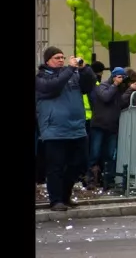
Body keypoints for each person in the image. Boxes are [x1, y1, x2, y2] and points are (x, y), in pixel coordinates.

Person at [36, 47, 98, 211]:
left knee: (78, 163)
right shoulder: (41, 78)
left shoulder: (72, 75)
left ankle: (65, 196)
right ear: (47, 60)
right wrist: (71, 69)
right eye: (57, 57)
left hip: (76, 128)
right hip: (54, 130)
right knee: (55, 167)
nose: (61, 60)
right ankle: (56, 200)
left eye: (63, 57)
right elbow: (54, 87)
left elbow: (89, 85)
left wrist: (84, 69)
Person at [88, 67, 130, 191]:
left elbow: (121, 104)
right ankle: (90, 180)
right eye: (119, 77)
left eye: (123, 78)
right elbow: (105, 97)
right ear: (113, 76)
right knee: (95, 153)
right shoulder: (102, 86)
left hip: (112, 127)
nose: (121, 79)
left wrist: (129, 91)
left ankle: (108, 180)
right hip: (99, 125)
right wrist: (115, 85)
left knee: (110, 155)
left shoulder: (118, 89)